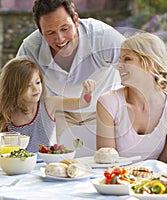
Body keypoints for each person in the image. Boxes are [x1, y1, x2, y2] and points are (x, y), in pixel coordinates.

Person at [16, 0, 125, 156]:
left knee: (106, 162)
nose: (59, 39)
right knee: (62, 166)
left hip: (104, 112)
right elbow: (15, 90)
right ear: (40, 31)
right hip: (60, 113)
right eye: (50, 33)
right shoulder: (30, 48)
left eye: (65, 28)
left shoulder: (102, 36)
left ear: (75, 19)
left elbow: (137, 70)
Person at [96, 32, 167, 163]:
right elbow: (106, 162)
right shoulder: (108, 103)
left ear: (149, 63)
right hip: (115, 181)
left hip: (156, 181)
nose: (118, 65)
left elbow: (166, 164)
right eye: (120, 59)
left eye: (127, 59)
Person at [0, 57, 96, 152]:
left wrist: (87, 92)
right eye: (28, 86)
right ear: (14, 89)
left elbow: (81, 104)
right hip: (15, 165)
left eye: (38, 82)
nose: (36, 88)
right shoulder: (6, 113)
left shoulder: (49, 104)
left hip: (42, 164)